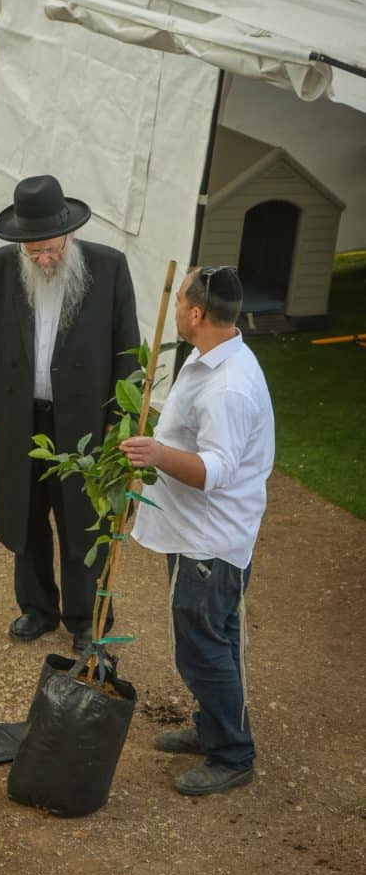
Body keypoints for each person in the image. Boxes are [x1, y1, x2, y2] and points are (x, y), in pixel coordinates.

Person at [121, 265, 275, 796]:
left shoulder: (230, 387)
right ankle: (216, 727)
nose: (179, 301)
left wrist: (158, 453)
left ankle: (232, 754)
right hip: (200, 531)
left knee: (202, 645)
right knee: (214, 638)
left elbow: (217, 471)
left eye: (182, 296)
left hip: (209, 538)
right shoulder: (215, 353)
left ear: (195, 313)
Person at [0, 174, 140, 654]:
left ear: (69, 234)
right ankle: (36, 607)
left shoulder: (109, 268)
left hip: (86, 421)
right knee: (24, 514)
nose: (44, 260)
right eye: (35, 252)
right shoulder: (4, 267)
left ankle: (87, 619)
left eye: (50, 249)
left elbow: (127, 349)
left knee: (82, 518)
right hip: (21, 417)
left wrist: (118, 418)